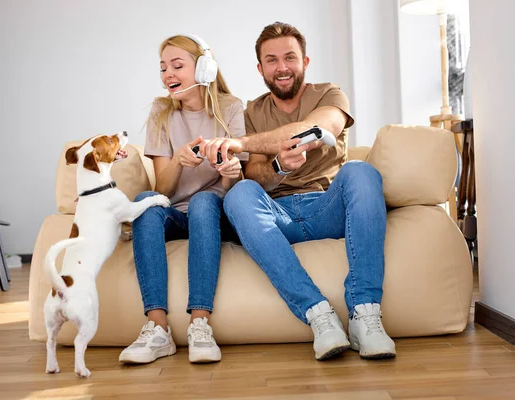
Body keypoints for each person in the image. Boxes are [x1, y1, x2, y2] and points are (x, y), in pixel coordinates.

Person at [202, 22, 396, 361]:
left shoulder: (331, 95)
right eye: (272, 60)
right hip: (278, 216)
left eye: (290, 57)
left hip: (327, 206)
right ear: (260, 69)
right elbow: (253, 175)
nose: (282, 68)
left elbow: (318, 129)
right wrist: (278, 165)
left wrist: (241, 143)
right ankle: (319, 316)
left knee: (361, 171)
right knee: (239, 194)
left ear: (305, 61)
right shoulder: (251, 112)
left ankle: (366, 315)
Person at [119, 34, 245, 365]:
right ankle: (157, 328)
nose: (168, 75)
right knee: (147, 201)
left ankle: (199, 324)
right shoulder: (162, 112)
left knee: (205, 200)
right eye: (163, 68)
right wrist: (177, 160)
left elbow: (235, 192)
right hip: (176, 213)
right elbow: (162, 190)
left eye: (177, 66)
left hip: (214, 213)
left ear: (205, 69)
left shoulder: (231, 108)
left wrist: (231, 170)